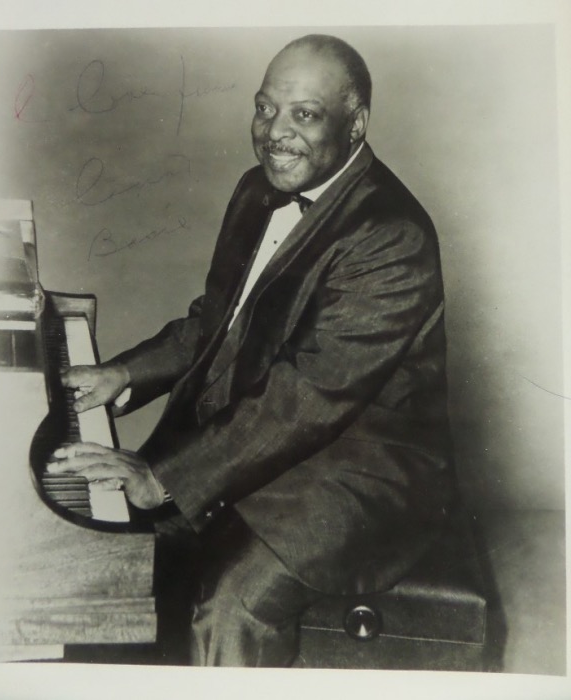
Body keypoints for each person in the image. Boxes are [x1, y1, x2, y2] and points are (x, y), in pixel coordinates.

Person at [49, 34, 457, 667]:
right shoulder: (256, 189)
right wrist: (126, 372)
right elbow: (220, 318)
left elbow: (307, 398)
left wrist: (165, 478)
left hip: (352, 474)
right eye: (265, 108)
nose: (276, 132)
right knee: (104, 556)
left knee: (231, 602)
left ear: (357, 126)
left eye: (305, 114)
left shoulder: (391, 237)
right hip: (257, 434)